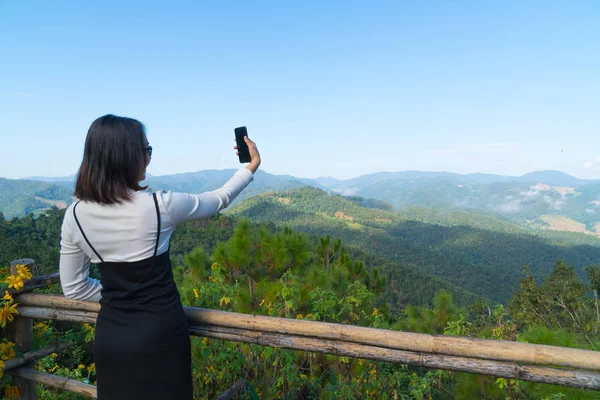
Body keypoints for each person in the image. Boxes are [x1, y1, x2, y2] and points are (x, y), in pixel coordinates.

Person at [59, 114, 260, 399]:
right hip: (161, 334)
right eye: (146, 150)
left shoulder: (74, 216)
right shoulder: (159, 206)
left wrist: (121, 295)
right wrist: (251, 166)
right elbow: (219, 199)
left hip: (111, 337)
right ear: (128, 157)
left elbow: (74, 288)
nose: (149, 158)